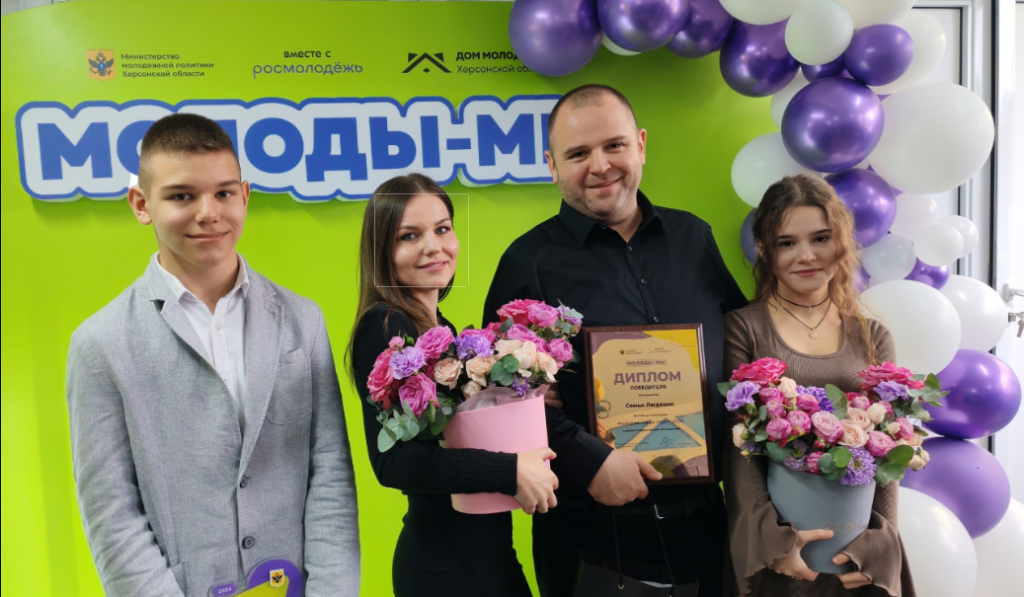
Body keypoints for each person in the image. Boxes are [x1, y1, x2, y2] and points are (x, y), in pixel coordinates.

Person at [66, 114, 360, 597]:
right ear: (141, 204)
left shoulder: (303, 320)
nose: (209, 212)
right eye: (182, 196)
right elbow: (111, 513)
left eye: (223, 193)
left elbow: (330, 474)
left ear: (244, 195)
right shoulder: (99, 344)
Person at [483, 84, 748, 597]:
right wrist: (591, 460)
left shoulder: (693, 238)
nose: (600, 165)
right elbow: (499, 403)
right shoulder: (527, 262)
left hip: (708, 526)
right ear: (552, 165)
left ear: (641, 145)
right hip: (591, 534)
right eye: (578, 154)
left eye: (614, 145)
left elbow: (741, 349)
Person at [348, 173, 558, 597]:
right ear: (382, 250)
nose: (433, 246)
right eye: (409, 236)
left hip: (486, 554)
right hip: (444, 566)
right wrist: (510, 471)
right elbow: (393, 462)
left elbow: (457, 434)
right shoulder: (385, 325)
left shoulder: (440, 327)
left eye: (442, 229)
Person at [723, 174, 915, 596]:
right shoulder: (742, 328)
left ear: (841, 242)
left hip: (856, 561)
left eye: (820, 238)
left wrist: (878, 548)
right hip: (778, 560)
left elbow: (890, 451)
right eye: (786, 242)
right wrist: (773, 544)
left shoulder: (873, 335)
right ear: (764, 250)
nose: (806, 255)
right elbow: (738, 450)